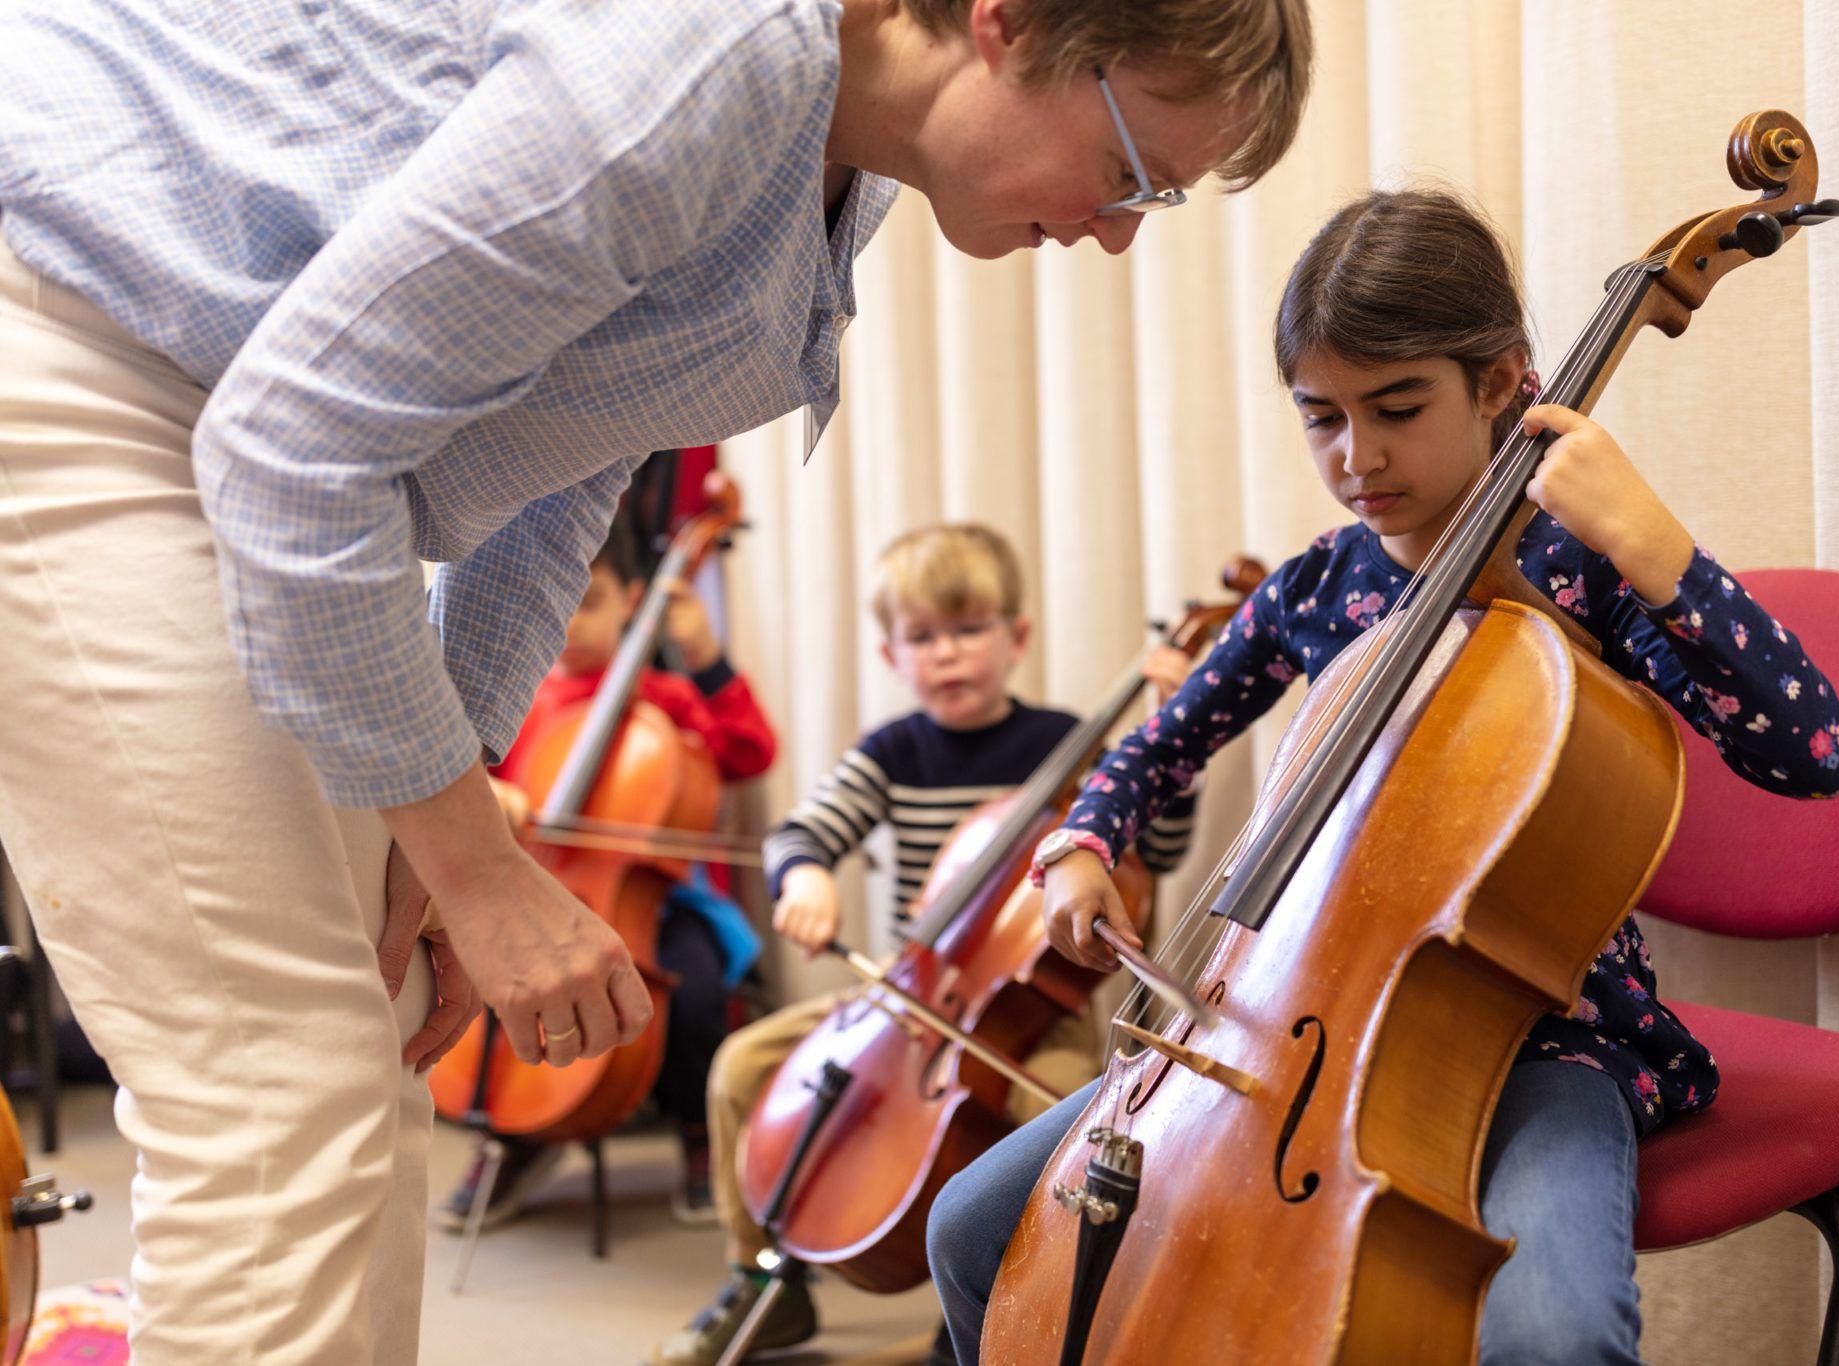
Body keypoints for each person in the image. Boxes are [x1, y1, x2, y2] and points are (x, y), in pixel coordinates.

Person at [0, 2, 1311, 1358]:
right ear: (1008, 25)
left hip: (224, 403)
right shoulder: (713, 60)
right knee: (275, 1091)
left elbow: (556, 459)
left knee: (356, 1051)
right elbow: (291, 455)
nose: (1122, 229)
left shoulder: (834, 158)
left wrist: (458, 809)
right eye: (1134, 170)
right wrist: (480, 871)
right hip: (79, 328)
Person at [924, 188, 1839, 1365]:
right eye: (1319, 417)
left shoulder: (1583, 573)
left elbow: (1815, 753)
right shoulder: (1317, 590)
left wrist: (1654, 545)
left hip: (1533, 1037)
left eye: (1395, 407)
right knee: (971, 1229)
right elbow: (1155, 748)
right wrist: (1082, 845)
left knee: (1553, 1335)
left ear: (1505, 381)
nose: (1355, 456)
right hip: (1274, 1028)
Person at [653, 523, 1197, 1366]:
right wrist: (804, 876)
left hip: (1028, 1014)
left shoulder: (1074, 748)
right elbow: (802, 832)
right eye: (923, 638)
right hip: (906, 997)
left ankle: (989, 1299)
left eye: (969, 630)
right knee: (742, 1072)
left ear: (1016, 638)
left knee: (1051, 1119)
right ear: (890, 654)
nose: (947, 655)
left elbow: (1154, 857)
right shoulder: (892, 753)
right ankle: (765, 1280)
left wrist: (1174, 743)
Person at [439, 514, 778, 1231]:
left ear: (631, 600)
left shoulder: (664, 700)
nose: (568, 626)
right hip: (537, 891)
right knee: (499, 985)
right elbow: (466, 784)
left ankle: (697, 1130)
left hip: (649, 901)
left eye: (588, 602)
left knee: (693, 993)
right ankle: (514, 1133)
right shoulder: (515, 704)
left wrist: (706, 656)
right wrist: (489, 795)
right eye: (552, 606)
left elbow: (749, 754)